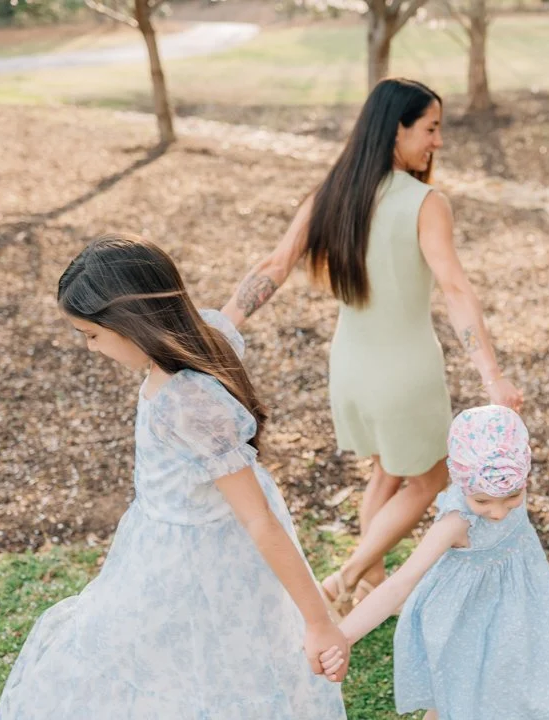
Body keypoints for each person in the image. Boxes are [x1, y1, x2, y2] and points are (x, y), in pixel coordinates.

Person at [0, 234, 347, 720]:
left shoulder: (185, 402)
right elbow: (247, 296)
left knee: (202, 671)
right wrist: (300, 233)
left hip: (197, 557)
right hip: (166, 541)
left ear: (129, 324)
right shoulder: (199, 336)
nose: (90, 348)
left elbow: (260, 522)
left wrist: (319, 622)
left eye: (91, 334)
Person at [222, 78, 523, 618]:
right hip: (405, 373)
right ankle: (346, 578)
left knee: (387, 472)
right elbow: (455, 288)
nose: (437, 142)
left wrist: (222, 325)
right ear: (395, 131)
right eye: (430, 129)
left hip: (351, 369)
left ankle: (367, 584)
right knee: (431, 477)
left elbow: (275, 266)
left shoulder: (331, 195)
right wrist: (491, 376)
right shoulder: (426, 202)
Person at [320, 405, 549, 720]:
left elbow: (502, 425)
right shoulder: (456, 523)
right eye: (482, 501)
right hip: (464, 617)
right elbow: (400, 584)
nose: (498, 512)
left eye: (512, 497)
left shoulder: (507, 471)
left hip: (512, 608)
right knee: (455, 696)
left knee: (503, 683)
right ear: (461, 481)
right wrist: (344, 636)